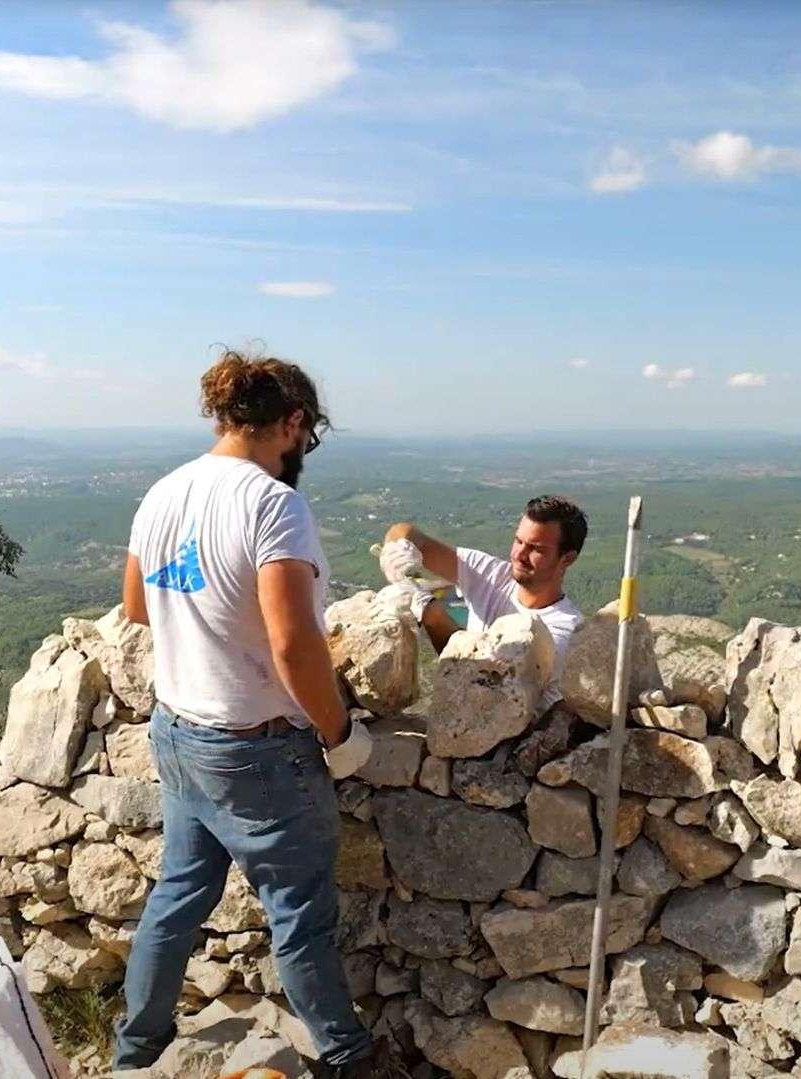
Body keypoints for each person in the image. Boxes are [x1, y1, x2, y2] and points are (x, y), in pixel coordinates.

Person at [113, 350, 374, 1076]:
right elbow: (295, 644)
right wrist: (340, 733)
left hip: (177, 728)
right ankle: (348, 1055)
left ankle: (135, 1054)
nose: (302, 450)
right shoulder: (272, 504)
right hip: (256, 745)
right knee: (299, 912)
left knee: (177, 895)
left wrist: (208, 617)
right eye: (306, 436)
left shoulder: (164, 492)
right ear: (292, 422)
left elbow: (137, 604)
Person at [378, 495, 587, 705]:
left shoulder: (563, 633)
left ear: (567, 558)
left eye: (536, 549)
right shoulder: (492, 575)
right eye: (518, 541)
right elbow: (407, 532)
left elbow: (486, 695)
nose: (520, 555)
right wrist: (398, 549)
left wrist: (432, 614)